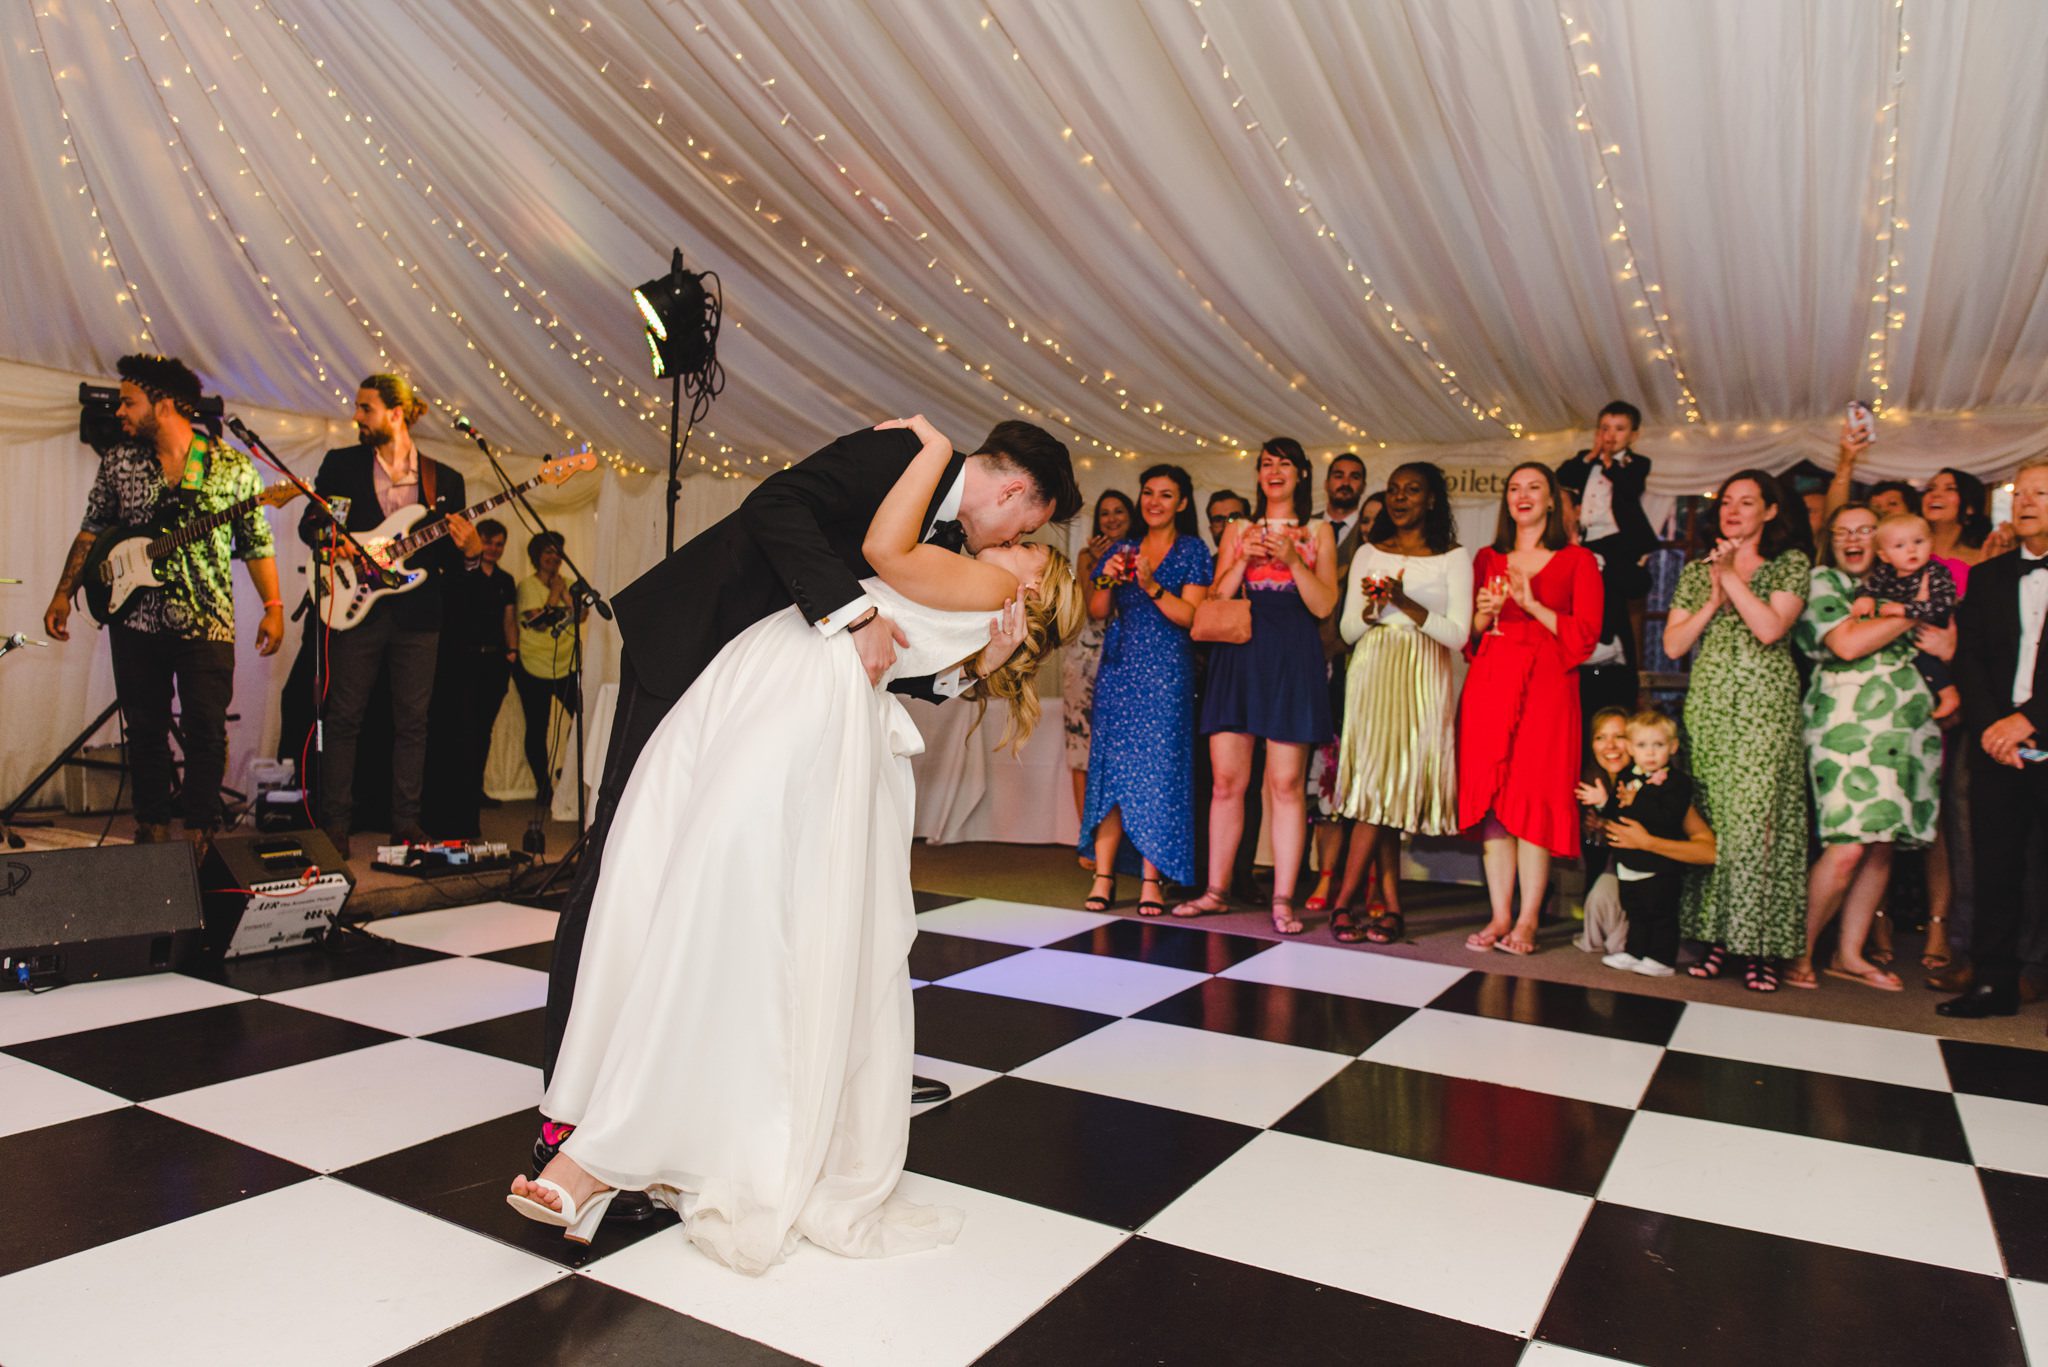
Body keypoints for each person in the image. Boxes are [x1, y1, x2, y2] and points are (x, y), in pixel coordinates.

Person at [511, 415, 1084, 1268]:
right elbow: (778, 508)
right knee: (620, 872)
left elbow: (896, 640)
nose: (1017, 540)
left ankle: (675, 1108)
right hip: (695, 648)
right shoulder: (902, 460)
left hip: (773, 689)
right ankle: (570, 1109)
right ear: (1015, 493)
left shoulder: (950, 537)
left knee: (717, 887)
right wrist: (862, 608)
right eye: (1028, 529)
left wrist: (948, 657)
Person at [42, 354, 283, 845]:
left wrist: (275, 607)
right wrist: (63, 594)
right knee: (145, 729)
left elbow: (257, 544)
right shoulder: (120, 461)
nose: (120, 412)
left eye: (130, 402)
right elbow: (91, 532)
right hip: (135, 619)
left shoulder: (233, 468)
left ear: (166, 404)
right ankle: (150, 827)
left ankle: (199, 831)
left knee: (206, 731)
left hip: (208, 620)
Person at [296, 374, 483, 851]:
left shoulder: (445, 480)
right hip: (355, 608)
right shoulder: (341, 466)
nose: (357, 417)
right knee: (343, 718)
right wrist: (337, 547)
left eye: (366, 408)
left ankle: (406, 821)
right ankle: (335, 825)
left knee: (413, 722)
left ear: (395, 414)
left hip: (418, 616)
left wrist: (472, 552)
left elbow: (452, 566)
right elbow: (312, 528)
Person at [1174, 439, 1338, 934]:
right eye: (1266, 463)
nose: (1273, 471)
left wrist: (1292, 558)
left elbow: (1324, 605)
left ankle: (1284, 898)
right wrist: (1243, 558)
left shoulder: (1319, 531)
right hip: (1239, 653)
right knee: (1227, 781)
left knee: (1285, 784)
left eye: (1284, 464)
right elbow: (1216, 598)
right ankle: (1215, 891)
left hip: (1292, 654)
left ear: (1302, 474)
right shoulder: (1239, 527)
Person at [1784, 504, 1944, 992]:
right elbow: (1847, 645)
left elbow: (1946, 643)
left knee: (1879, 844)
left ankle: (1848, 954)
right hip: (1845, 720)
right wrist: (1913, 613)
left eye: (1864, 531)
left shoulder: (1903, 579)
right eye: (1842, 533)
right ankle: (1800, 951)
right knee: (1847, 844)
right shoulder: (1823, 582)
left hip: (1907, 724)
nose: (1853, 540)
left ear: (1880, 538)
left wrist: (1903, 611)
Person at [1663, 469, 1811, 993]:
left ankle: (1762, 946)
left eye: (1747, 502)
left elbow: (1770, 629)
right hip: (1711, 709)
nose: (1733, 510)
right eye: (1727, 501)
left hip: (1765, 710)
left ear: (1770, 511)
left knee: (1759, 827)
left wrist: (1730, 577)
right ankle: (1717, 937)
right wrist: (1711, 592)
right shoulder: (1698, 570)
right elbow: (1676, 646)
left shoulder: (1790, 565)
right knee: (1716, 823)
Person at [1457, 462, 1604, 956]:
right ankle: (1499, 915)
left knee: (1534, 799)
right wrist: (1481, 615)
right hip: (1491, 682)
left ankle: (1527, 920)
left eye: (1534, 488)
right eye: (1515, 488)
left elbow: (1585, 638)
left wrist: (1532, 602)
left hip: (1548, 687)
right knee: (1497, 806)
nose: (1523, 496)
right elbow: (1468, 637)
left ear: (1551, 502)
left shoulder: (1578, 561)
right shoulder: (1487, 557)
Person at [1324, 462, 1469, 944]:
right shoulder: (1368, 552)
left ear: (1432, 500)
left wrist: (1404, 603)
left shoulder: (1453, 556)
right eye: (1394, 491)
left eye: (1413, 490)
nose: (1401, 498)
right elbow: (1347, 631)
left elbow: (1458, 634)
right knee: (1374, 790)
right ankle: (1387, 906)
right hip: (1372, 667)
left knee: (1390, 792)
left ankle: (1346, 901)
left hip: (1422, 674)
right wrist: (1373, 609)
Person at [1939, 455, 2048, 1023]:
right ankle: (1993, 982)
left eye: (2040, 493)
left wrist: (2030, 719)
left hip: (2041, 734)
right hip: (1995, 745)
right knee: (1994, 864)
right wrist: (1992, 726)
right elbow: (1970, 660)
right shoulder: (1987, 576)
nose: (2026, 502)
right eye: (2021, 493)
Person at [1079, 469, 1212, 914]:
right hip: (1119, 672)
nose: (1154, 501)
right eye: (1148, 493)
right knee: (1112, 773)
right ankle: (1104, 875)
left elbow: (1191, 618)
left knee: (1159, 776)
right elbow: (1097, 612)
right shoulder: (1122, 548)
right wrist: (1107, 579)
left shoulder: (1193, 550)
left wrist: (1151, 584)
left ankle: (1152, 881)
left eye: (1166, 495)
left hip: (1167, 672)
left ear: (1181, 503)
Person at [1557, 401, 1657, 730]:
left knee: (1611, 588)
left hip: (1618, 540)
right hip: (1588, 538)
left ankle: (1607, 639)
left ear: (1634, 435)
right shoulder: (1584, 463)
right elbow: (1563, 477)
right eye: (1604, 428)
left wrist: (1609, 463)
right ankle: (1585, 639)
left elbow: (1629, 489)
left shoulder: (1637, 463)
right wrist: (1592, 457)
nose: (1610, 435)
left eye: (1619, 429)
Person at [422, 518, 518, 837]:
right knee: (461, 729)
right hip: (461, 659)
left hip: (494, 660)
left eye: (499, 543)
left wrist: (512, 652)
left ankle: (474, 789)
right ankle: (457, 795)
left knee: (483, 730)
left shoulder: (505, 580)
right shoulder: (461, 572)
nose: (494, 548)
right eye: (489, 541)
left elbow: (509, 618)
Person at [1306, 455, 1370, 916]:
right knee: (1318, 778)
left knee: (1353, 776)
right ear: (1327, 483)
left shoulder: (1376, 539)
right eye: (1339, 475)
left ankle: (1353, 877)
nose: (1345, 483)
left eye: (1355, 477)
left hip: (1361, 667)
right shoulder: (1306, 530)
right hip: (1311, 665)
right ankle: (1321, 872)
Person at [1594, 710, 1699, 977]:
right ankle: (1635, 951)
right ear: (1631, 748)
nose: (1650, 753)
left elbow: (1667, 817)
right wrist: (1604, 803)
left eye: (1658, 745)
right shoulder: (1629, 775)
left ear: (1673, 747)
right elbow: (1618, 813)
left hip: (1660, 865)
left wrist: (1637, 800)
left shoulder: (1677, 783)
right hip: (1629, 863)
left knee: (1660, 913)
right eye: (1642, 746)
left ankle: (1662, 958)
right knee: (1636, 911)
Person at [1065, 490, 1133, 870]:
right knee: (1082, 749)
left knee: (1120, 752)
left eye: (1118, 512)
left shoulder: (1142, 553)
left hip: (1128, 656)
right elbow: (1091, 609)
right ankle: (1086, 838)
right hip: (1087, 656)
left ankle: (1121, 841)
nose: (1110, 519)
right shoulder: (1087, 556)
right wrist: (1095, 560)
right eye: (1104, 513)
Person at [1853, 512, 1960, 719]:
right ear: (1884, 555)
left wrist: (1907, 610)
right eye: (1899, 546)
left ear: (1931, 543)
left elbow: (1942, 607)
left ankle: (1948, 694)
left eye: (1918, 542)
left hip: (1932, 630)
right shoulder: (1885, 573)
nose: (1911, 550)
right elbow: (1868, 588)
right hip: (1901, 638)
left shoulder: (1935, 572)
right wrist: (1865, 598)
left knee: (1925, 657)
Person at [512, 531, 588, 808]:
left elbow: (582, 615)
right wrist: (554, 595)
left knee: (583, 719)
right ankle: (543, 787)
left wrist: (565, 593)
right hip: (533, 666)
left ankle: (565, 770)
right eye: (548, 552)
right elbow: (538, 623)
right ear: (537, 556)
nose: (553, 557)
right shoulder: (527, 586)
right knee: (537, 726)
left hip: (567, 664)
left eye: (557, 552)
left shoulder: (569, 583)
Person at [1573, 707, 1635, 956]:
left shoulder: (1645, 778)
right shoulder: (1589, 777)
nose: (1610, 745)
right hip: (1608, 867)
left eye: (1618, 736)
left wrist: (1605, 808)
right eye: (1600, 737)